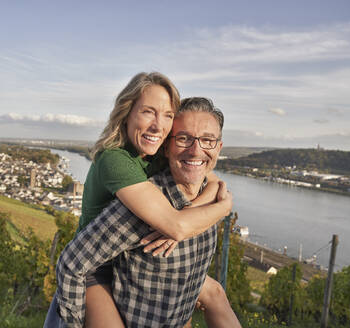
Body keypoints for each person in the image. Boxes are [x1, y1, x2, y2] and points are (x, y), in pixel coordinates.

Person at [45, 72, 236, 326]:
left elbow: (206, 176)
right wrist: (222, 208)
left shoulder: (155, 153)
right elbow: (175, 225)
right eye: (148, 111)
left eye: (167, 115)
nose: (158, 125)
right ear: (127, 113)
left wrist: (193, 210)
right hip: (97, 266)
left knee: (215, 294)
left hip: (133, 260)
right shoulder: (115, 160)